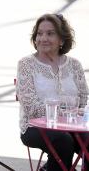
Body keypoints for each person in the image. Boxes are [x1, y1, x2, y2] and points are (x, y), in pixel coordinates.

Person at [16, 13, 89, 170]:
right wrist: (66, 111)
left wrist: (70, 113)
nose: (43, 38)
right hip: (34, 127)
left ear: (62, 39)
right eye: (39, 34)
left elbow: (83, 99)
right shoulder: (26, 64)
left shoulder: (75, 65)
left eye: (50, 33)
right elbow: (31, 108)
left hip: (72, 126)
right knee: (63, 141)